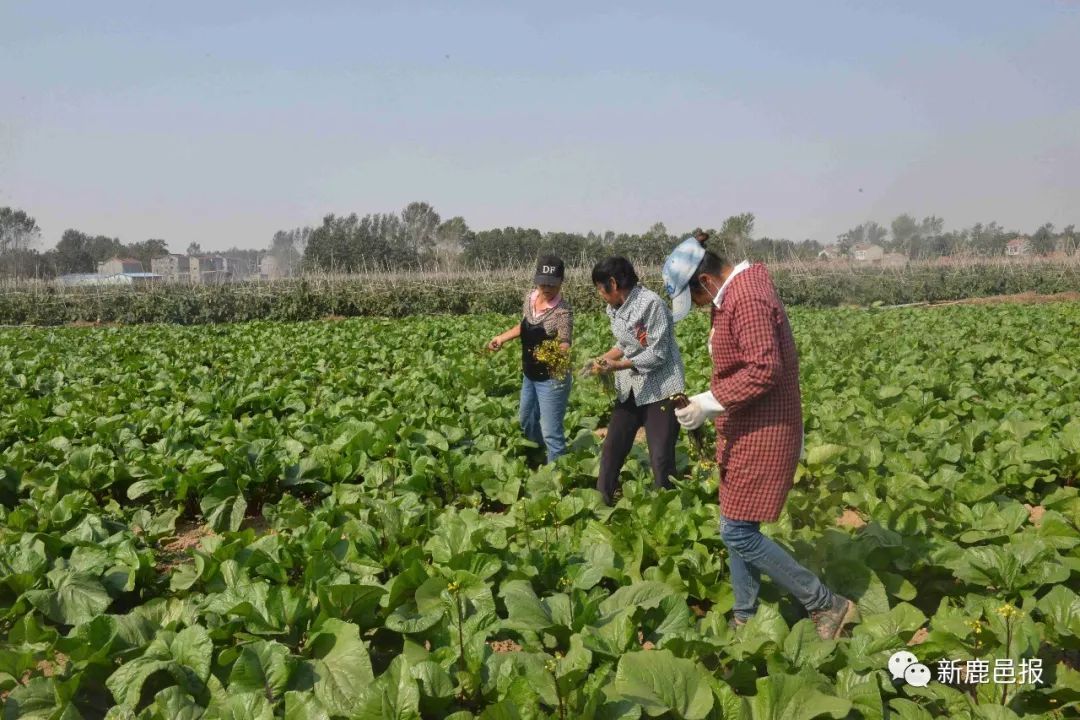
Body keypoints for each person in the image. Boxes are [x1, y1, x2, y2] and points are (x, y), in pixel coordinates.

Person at [662, 234, 857, 641]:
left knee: (736, 531)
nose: (698, 309)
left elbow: (764, 369)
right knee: (736, 524)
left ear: (706, 283)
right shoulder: (738, 291)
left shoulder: (745, 298)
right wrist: (706, 402)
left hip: (764, 429)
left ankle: (825, 603)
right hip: (747, 424)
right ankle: (746, 616)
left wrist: (709, 402)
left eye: (694, 300)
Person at [584, 256, 685, 504]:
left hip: (661, 388)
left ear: (613, 283)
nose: (600, 294)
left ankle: (667, 508)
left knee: (661, 456)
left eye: (600, 288)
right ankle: (600, 503)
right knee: (612, 448)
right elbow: (625, 343)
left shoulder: (652, 304)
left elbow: (658, 353)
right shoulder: (614, 308)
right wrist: (602, 359)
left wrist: (617, 365)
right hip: (631, 388)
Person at [488, 255, 573, 463]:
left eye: (552, 283)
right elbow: (525, 325)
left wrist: (557, 354)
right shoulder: (530, 298)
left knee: (552, 432)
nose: (546, 287)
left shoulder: (563, 312)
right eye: (542, 282)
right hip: (530, 374)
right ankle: (538, 454)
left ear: (561, 282)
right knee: (526, 419)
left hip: (552, 378)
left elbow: (564, 342)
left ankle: (558, 477)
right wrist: (502, 338)